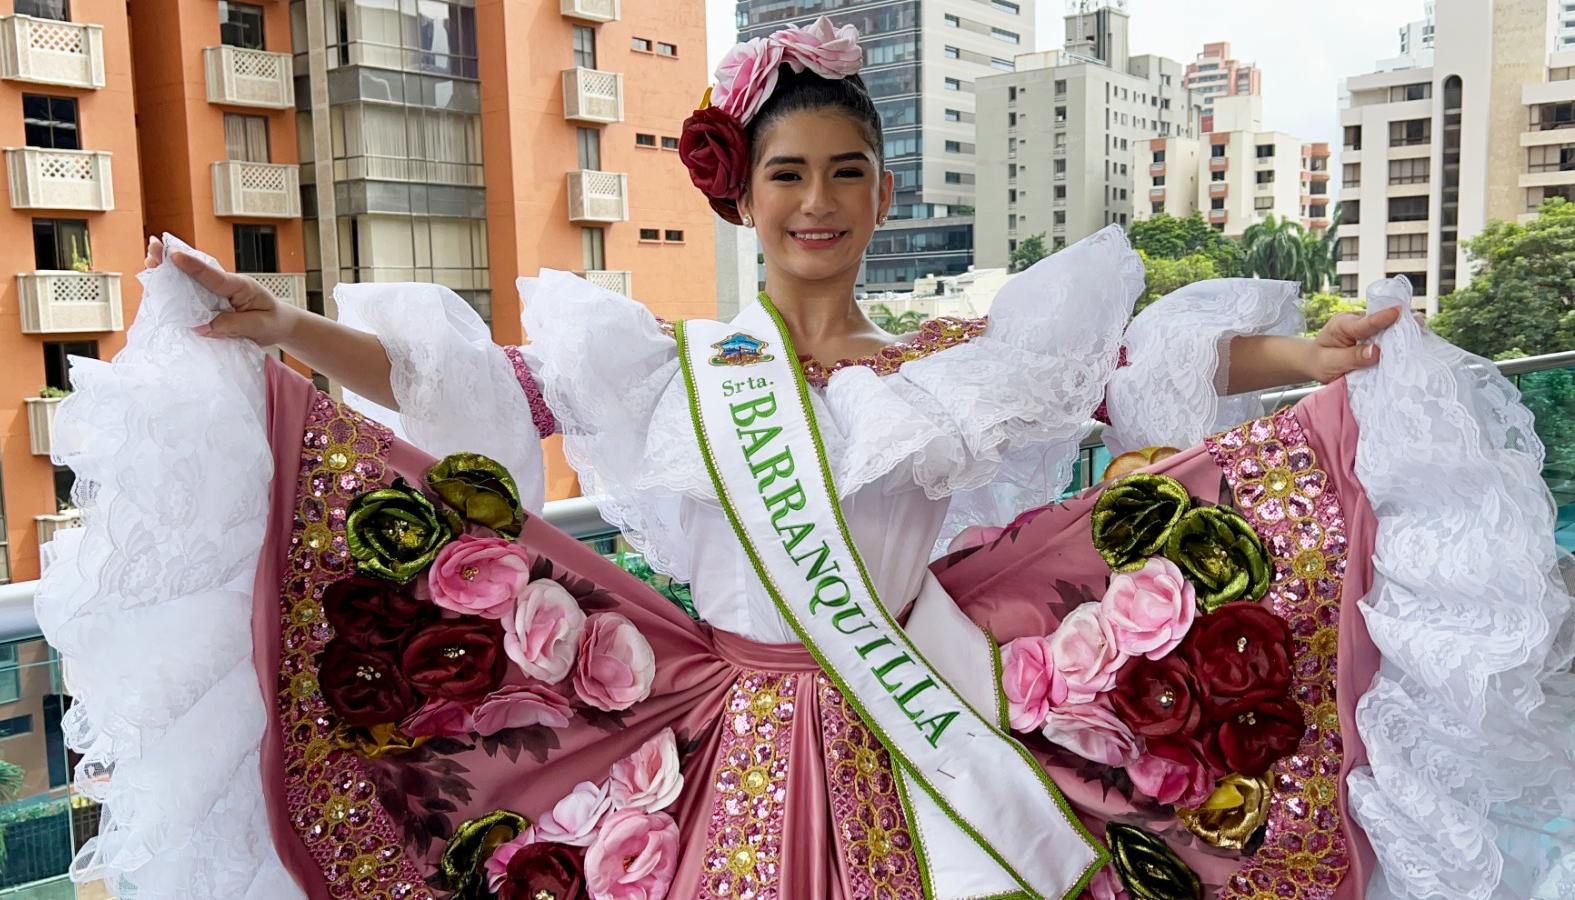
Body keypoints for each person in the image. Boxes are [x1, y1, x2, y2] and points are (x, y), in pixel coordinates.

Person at [37, 17, 1574, 900]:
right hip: (719, 738)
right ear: (744, 197)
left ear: (885, 187)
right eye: (788, 176)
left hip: (929, 728)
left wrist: (1284, 362)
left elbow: (1121, 381)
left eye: (846, 171)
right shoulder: (671, 367)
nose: (816, 202)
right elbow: (477, 386)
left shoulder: (944, 366)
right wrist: (295, 329)